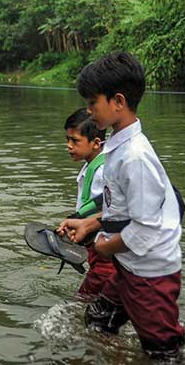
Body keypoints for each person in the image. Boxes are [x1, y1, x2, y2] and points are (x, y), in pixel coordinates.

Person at [57, 52, 185, 360]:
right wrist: (90, 224)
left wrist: (104, 248)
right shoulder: (119, 148)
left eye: (92, 103)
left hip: (149, 273)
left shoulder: (135, 158)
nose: (89, 111)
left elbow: (145, 230)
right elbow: (124, 210)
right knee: (98, 321)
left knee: (163, 351)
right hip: (128, 266)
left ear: (118, 101)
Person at [63, 107, 116, 299]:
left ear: (95, 143)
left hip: (105, 250)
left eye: (75, 141)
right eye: (67, 140)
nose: (69, 145)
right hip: (97, 248)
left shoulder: (103, 170)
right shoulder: (93, 164)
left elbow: (112, 208)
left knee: (83, 302)